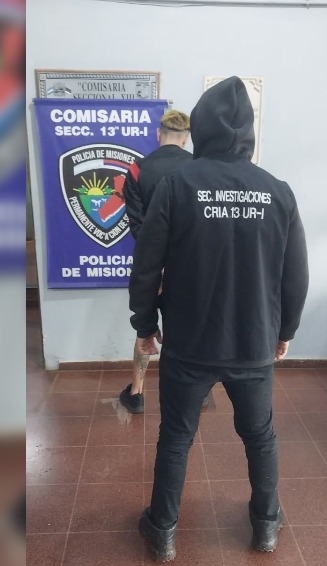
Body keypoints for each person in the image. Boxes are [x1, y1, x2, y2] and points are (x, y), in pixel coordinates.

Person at [129, 77, 309, 562]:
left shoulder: (176, 186)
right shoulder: (278, 192)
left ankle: (163, 531)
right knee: (260, 436)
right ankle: (265, 525)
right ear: (248, 130)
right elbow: (295, 275)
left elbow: (146, 267)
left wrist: (144, 325)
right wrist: (285, 331)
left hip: (189, 343)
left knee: (176, 437)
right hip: (254, 342)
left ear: (201, 128)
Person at [119, 109, 192, 414]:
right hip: (189, 266)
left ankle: (136, 393)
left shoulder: (137, 169)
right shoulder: (198, 168)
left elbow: (137, 225)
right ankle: (195, 393)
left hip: (152, 265)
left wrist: (155, 262)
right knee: (188, 328)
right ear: (186, 139)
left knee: (145, 329)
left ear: (158, 134)